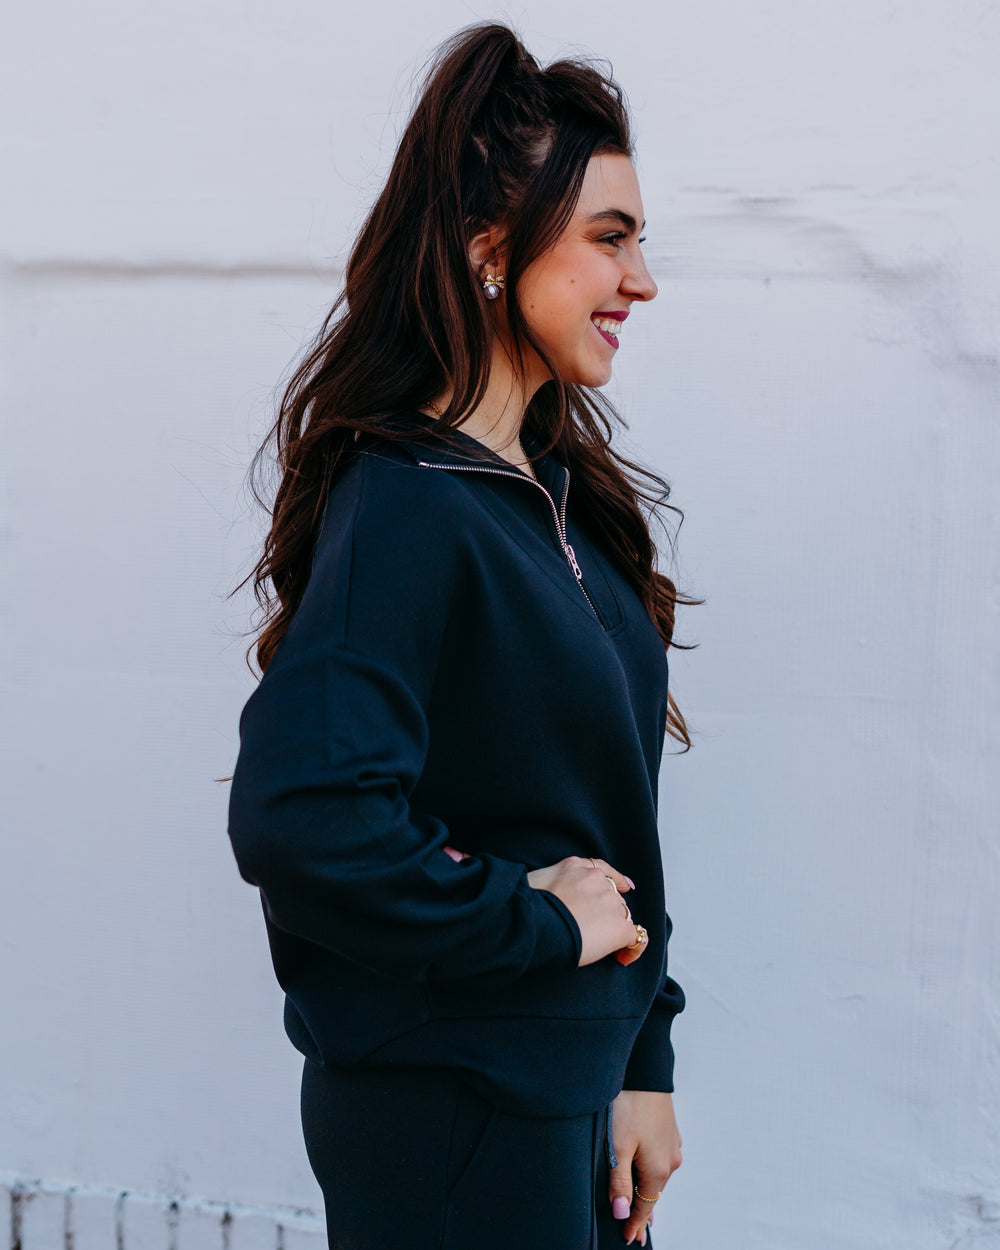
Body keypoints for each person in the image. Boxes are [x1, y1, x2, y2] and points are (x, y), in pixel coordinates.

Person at [228, 22, 691, 1250]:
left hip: (564, 1100)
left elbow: (604, 813)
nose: (641, 279)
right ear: (491, 248)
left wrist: (641, 1054)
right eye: (609, 238)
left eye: (638, 240)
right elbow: (307, 820)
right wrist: (537, 925)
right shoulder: (406, 505)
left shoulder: (556, 503)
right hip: (457, 1112)